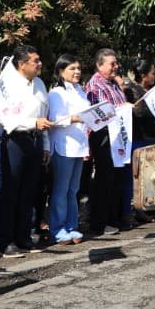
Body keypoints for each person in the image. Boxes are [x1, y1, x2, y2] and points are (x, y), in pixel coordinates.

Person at [0, 45, 52, 256]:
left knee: (28, 193)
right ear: (22, 64)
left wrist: (46, 145)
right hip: (11, 141)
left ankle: (23, 237)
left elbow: (45, 115)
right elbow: (7, 120)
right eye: (35, 60)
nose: (40, 64)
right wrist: (34, 122)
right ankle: (3, 242)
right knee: (8, 193)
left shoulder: (40, 84)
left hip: (34, 140)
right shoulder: (3, 86)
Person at [84, 47, 130, 236]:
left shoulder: (113, 84)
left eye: (116, 63)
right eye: (112, 64)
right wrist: (123, 107)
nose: (116, 67)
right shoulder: (95, 85)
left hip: (117, 137)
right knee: (104, 179)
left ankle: (115, 218)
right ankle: (100, 222)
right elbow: (102, 112)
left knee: (115, 178)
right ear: (99, 65)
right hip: (103, 136)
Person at [47, 54, 90, 246]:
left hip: (79, 146)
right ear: (60, 71)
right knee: (61, 189)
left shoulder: (80, 90)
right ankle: (57, 228)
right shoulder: (56, 93)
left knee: (73, 190)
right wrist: (76, 118)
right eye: (72, 68)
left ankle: (72, 225)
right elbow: (55, 119)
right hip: (63, 145)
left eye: (78, 68)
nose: (77, 72)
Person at [123, 58, 155, 225]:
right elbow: (138, 112)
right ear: (143, 75)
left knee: (147, 178)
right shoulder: (132, 89)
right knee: (135, 178)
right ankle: (130, 212)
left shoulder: (150, 90)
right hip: (138, 138)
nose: (154, 76)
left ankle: (145, 209)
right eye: (152, 73)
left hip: (150, 137)